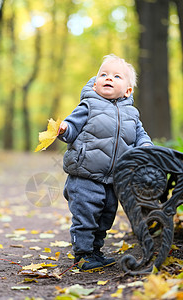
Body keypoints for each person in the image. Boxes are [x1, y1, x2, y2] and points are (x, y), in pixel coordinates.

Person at [58, 54, 153, 271]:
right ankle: (82, 254)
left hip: (113, 179)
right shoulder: (88, 105)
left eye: (116, 76)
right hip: (85, 174)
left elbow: (140, 135)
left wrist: (146, 147)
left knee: (105, 216)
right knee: (86, 216)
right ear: (95, 82)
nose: (108, 78)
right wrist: (64, 130)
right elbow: (71, 127)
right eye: (103, 74)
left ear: (128, 90)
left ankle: (96, 252)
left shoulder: (132, 114)